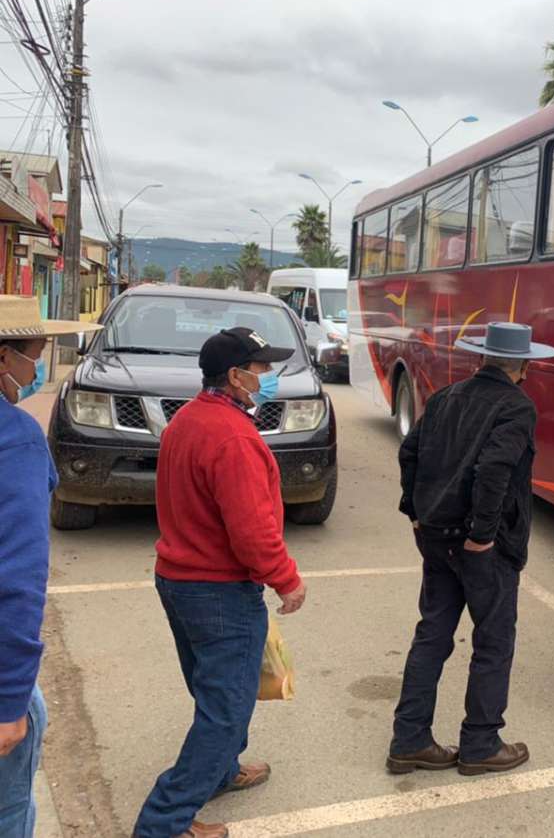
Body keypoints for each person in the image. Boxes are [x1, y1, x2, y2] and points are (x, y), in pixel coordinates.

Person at [134, 327, 306, 838]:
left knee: (215, 690)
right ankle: (164, 823)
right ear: (235, 376)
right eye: (260, 369)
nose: (267, 378)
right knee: (226, 709)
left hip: (181, 579)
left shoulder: (189, 418)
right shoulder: (233, 436)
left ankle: (224, 770)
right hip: (218, 589)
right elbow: (252, 528)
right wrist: (286, 579)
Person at [390, 322, 554, 777]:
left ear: (482, 357)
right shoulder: (516, 406)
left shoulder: (446, 397)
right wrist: (482, 535)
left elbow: (410, 453)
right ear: (522, 365)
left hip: (436, 536)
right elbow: (494, 471)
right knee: (493, 642)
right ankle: (481, 742)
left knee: (432, 635)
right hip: (484, 547)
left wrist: (415, 510)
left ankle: (409, 740)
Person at [0, 297, 99, 838]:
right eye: (35, 353)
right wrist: (10, 699)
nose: (38, 366)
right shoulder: (14, 438)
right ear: (2, 360)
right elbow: (17, 576)